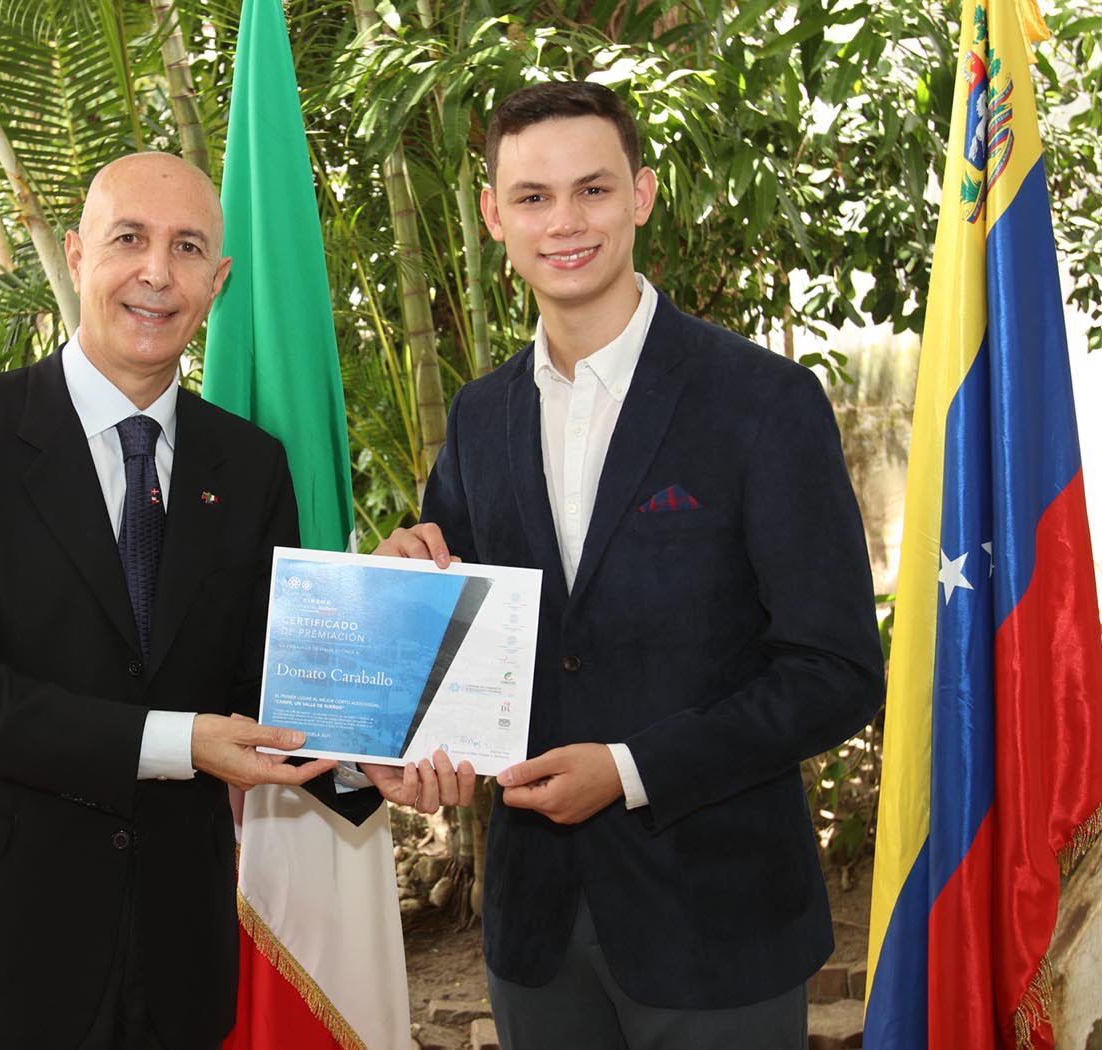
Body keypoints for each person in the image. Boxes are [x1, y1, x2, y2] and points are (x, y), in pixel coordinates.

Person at [374, 81, 885, 1049]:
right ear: (493, 216)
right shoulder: (480, 423)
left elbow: (837, 673)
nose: (563, 222)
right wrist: (412, 629)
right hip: (533, 934)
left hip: (718, 928)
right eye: (531, 197)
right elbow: (470, 654)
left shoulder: (763, 403)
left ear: (642, 195)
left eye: (593, 190)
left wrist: (631, 768)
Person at [0, 151, 375, 1050]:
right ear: (76, 257)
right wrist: (178, 741)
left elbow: (277, 685)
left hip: (176, 948)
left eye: (187, 247)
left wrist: (383, 726)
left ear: (217, 281)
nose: (157, 272)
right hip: (1, 942)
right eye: (129, 240)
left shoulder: (251, 465)